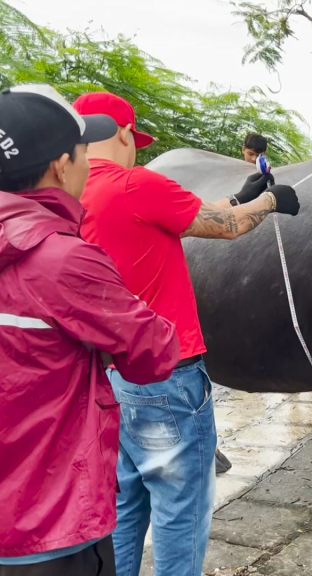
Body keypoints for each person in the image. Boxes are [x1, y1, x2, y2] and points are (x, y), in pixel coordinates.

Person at [73, 90, 301, 576]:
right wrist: (269, 200)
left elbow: (194, 213)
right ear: (123, 133)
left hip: (109, 377)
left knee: (125, 507)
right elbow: (226, 228)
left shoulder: (69, 194)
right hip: (167, 382)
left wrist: (240, 195)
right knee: (181, 512)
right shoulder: (135, 183)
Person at [0, 84, 180, 576]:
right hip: (48, 525)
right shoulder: (61, 259)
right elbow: (154, 353)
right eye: (82, 152)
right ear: (61, 165)